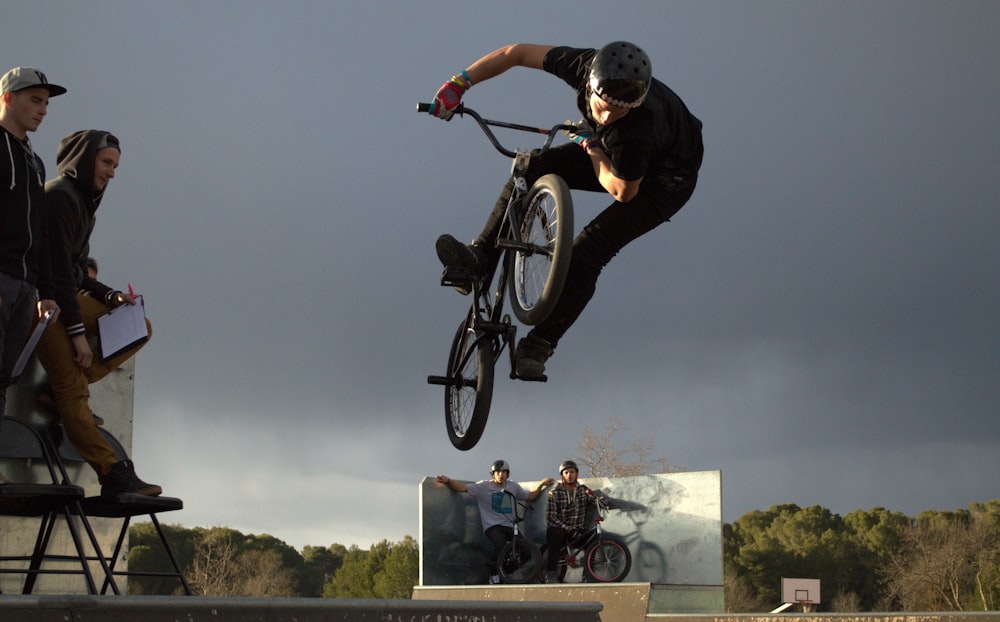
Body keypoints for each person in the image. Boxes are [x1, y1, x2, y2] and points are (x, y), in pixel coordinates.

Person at [428, 42, 704, 378]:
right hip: (615, 154)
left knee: (588, 251)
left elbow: (623, 191)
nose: (605, 116)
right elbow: (515, 54)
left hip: (664, 183)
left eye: (618, 113)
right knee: (531, 168)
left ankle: (539, 345)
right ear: (591, 83)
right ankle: (479, 258)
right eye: (602, 106)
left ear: (636, 105)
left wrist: (590, 145)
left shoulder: (637, 130)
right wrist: (459, 83)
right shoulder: (582, 65)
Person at [35, 129, 160, 496]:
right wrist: (77, 335)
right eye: (106, 163)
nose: (112, 173)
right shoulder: (59, 197)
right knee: (71, 391)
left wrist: (112, 298)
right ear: (85, 160)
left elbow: (74, 272)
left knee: (139, 325)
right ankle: (113, 473)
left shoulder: (83, 202)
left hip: (64, 297)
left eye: (116, 165)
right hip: (42, 304)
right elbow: (56, 275)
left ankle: (64, 387)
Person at [0, 67, 65, 418]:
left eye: (46, 103)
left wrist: (45, 291)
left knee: (5, 379)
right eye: (35, 100)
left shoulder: (35, 163)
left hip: (25, 289)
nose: (42, 109)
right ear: (8, 98)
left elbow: (38, 232)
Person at [436, 460, 554, 584]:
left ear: (507, 474)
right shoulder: (484, 486)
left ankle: (504, 572)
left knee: (526, 551)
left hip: (509, 525)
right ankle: (493, 575)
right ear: (493, 474)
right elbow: (461, 488)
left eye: (503, 472)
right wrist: (448, 481)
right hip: (493, 526)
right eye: (497, 472)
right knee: (501, 545)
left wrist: (542, 485)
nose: (500, 475)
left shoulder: (512, 486)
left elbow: (530, 496)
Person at [542, 459, 599, 583]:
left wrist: (600, 501)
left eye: (572, 472)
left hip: (577, 530)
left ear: (576, 474)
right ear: (562, 475)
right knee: (555, 536)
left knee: (594, 539)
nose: (569, 475)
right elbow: (550, 517)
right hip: (558, 529)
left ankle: (588, 575)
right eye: (566, 473)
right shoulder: (555, 492)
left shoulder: (583, 490)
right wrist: (565, 527)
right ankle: (551, 574)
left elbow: (593, 498)